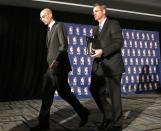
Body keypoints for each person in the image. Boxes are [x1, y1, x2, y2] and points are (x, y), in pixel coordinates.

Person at [31, 8, 89, 130]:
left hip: (58, 67)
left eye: (43, 16)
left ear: (50, 15)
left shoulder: (59, 26)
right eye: (40, 17)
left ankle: (44, 124)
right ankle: (83, 112)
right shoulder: (49, 30)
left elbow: (63, 45)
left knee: (55, 94)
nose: (41, 19)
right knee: (59, 94)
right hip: (52, 68)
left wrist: (56, 60)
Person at [89, 3, 125, 130]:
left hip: (113, 66)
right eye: (93, 12)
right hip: (99, 67)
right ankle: (109, 115)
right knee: (94, 89)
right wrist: (92, 51)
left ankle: (117, 124)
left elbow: (118, 42)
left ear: (104, 12)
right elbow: (95, 46)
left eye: (96, 11)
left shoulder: (113, 24)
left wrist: (102, 51)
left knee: (114, 96)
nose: (94, 13)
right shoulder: (95, 29)